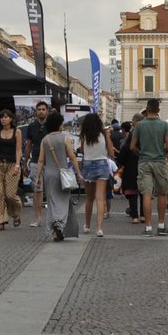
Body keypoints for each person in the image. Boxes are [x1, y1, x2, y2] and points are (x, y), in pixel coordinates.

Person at [36, 109, 82, 241]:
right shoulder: (65, 138)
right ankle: (58, 222)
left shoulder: (45, 140)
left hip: (49, 174)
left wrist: (38, 177)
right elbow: (72, 157)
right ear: (59, 124)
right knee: (62, 200)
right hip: (63, 175)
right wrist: (78, 174)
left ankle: (55, 230)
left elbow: (40, 160)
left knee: (52, 201)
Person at [130, 100, 168, 236]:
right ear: (158, 110)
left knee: (146, 194)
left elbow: (132, 146)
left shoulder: (140, 125)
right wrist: (162, 151)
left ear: (147, 109)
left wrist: (140, 153)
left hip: (144, 162)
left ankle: (148, 227)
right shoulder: (164, 125)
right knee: (162, 193)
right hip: (159, 161)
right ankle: (160, 225)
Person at [76, 113, 114, 236]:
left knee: (89, 198)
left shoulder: (84, 135)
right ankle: (99, 228)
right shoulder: (103, 134)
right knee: (100, 198)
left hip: (88, 164)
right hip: (102, 164)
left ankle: (87, 225)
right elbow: (111, 153)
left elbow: (82, 150)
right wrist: (107, 136)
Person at [0, 109, 23, 231]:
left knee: (10, 194)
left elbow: (18, 150)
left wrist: (17, 165)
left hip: (12, 164)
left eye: (7, 116)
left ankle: (16, 213)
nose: (4, 118)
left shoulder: (17, 132)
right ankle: (0, 221)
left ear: (11, 119)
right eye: (2, 117)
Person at [23, 102, 50, 228]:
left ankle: (53, 218)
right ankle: (38, 218)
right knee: (37, 191)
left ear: (47, 111)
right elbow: (28, 144)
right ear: (36, 111)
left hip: (50, 162)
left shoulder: (51, 125)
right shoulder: (32, 126)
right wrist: (25, 163)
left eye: (43, 109)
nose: (41, 111)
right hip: (35, 161)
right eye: (39, 109)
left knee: (52, 190)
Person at [115, 119, 140, 222]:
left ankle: (135, 216)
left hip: (130, 171)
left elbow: (121, 160)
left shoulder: (126, 146)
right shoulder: (143, 145)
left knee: (132, 193)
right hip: (143, 169)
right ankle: (143, 215)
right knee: (144, 194)